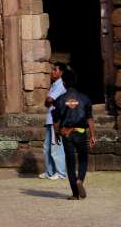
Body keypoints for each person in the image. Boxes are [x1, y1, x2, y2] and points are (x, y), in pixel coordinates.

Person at [53, 68, 96, 200]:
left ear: (64, 83)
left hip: (67, 134)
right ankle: (80, 181)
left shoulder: (59, 100)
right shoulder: (85, 98)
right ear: (75, 82)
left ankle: (75, 194)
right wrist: (92, 135)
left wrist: (56, 134)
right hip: (81, 132)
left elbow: (56, 120)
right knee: (83, 159)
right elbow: (89, 118)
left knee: (70, 163)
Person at [40, 62, 68, 180]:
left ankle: (61, 173)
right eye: (52, 69)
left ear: (61, 72)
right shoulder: (54, 85)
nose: (52, 72)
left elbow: (50, 100)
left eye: (55, 70)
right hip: (50, 119)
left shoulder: (60, 85)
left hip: (56, 120)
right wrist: (48, 100)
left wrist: (48, 100)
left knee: (56, 146)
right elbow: (47, 103)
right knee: (47, 147)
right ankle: (50, 172)